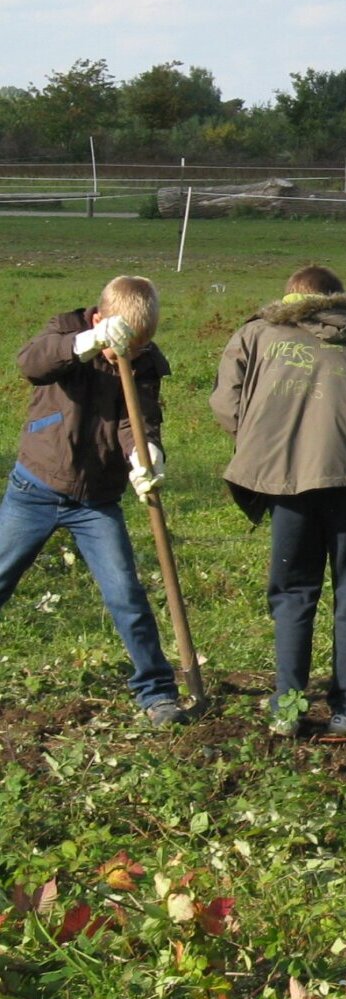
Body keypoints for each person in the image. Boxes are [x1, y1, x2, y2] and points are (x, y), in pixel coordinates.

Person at [211, 265, 346, 738]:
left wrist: (266, 447)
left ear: (289, 297)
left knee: (293, 596)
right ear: (336, 300)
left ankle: (288, 709)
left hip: (289, 484)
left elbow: (226, 406)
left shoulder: (255, 335)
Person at [0, 276, 184, 727]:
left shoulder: (143, 364)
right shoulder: (64, 331)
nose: (130, 354)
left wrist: (145, 455)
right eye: (124, 342)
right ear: (100, 318)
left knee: (126, 595)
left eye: (141, 347)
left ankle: (157, 693)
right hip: (36, 488)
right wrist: (89, 342)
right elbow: (32, 364)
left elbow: (136, 421)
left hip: (97, 503)